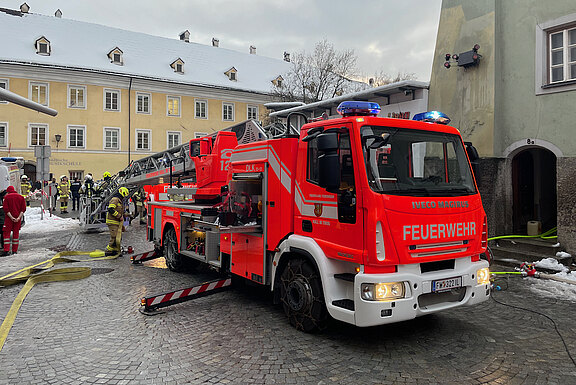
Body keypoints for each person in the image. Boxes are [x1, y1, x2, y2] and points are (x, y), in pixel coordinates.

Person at [1, 185, 26, 256]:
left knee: (6, 234)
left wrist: (11, 217)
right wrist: (18, 218)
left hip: (9, 219)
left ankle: (6, 250)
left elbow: (6, 209)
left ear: (8, 191)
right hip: (18, 218)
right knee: (16, 234)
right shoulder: (21, 197)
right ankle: (14, 250)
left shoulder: (6, 197)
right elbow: (23, 209)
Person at [105, 186, 129, 256]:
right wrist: (119, 216)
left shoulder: (120, 201)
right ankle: (108, 250)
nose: (124, 198)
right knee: (114, 236)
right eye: (124, 196)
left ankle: (115, 250)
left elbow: (120, 211)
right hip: (112, 222)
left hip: (116, 222)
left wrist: (126, 215)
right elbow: (110, 209)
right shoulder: (115, 199)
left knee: (118, 237)